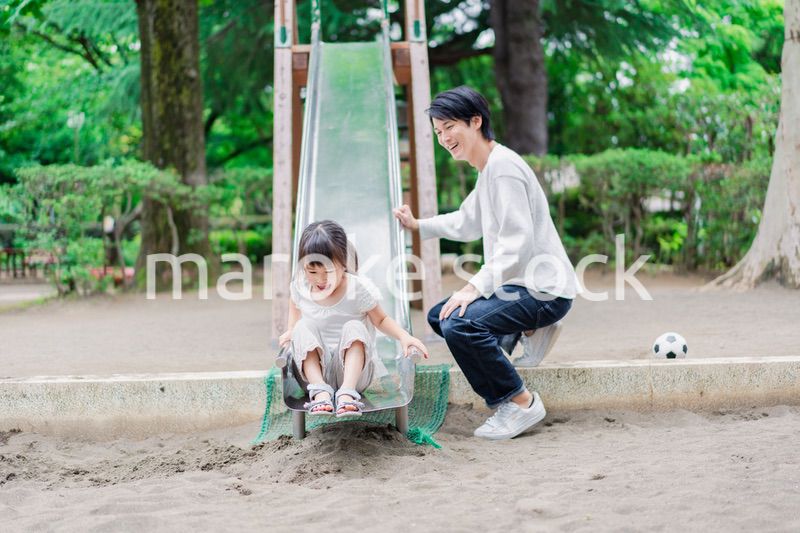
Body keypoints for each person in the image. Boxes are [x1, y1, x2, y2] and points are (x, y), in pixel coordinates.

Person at [393, 86, 579, 440]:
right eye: (438, 132)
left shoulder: (503, 168)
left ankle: (519, 402)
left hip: (544, 291)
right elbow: (466, 221)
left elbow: (516, 243)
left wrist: (471, 288)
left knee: (460, 325)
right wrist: (417, 225)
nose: (444, 137)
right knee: (441, 316)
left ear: (475, 121)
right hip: (521, 287)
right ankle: (525, 331)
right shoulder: (489, 168)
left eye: (450, 127)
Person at [279, 220, 428, 418]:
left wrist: (403, 336)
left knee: (354, 326)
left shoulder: (357, 289)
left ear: (343, 263)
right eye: (312, 271)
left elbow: (381, 320)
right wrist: (292, 332)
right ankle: (321, 393)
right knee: (302, 326)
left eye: (329, 272)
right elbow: (294, 315)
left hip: (354, 375)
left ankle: (347, 395)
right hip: (313, 376)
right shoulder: (300, 286)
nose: (321, 280)